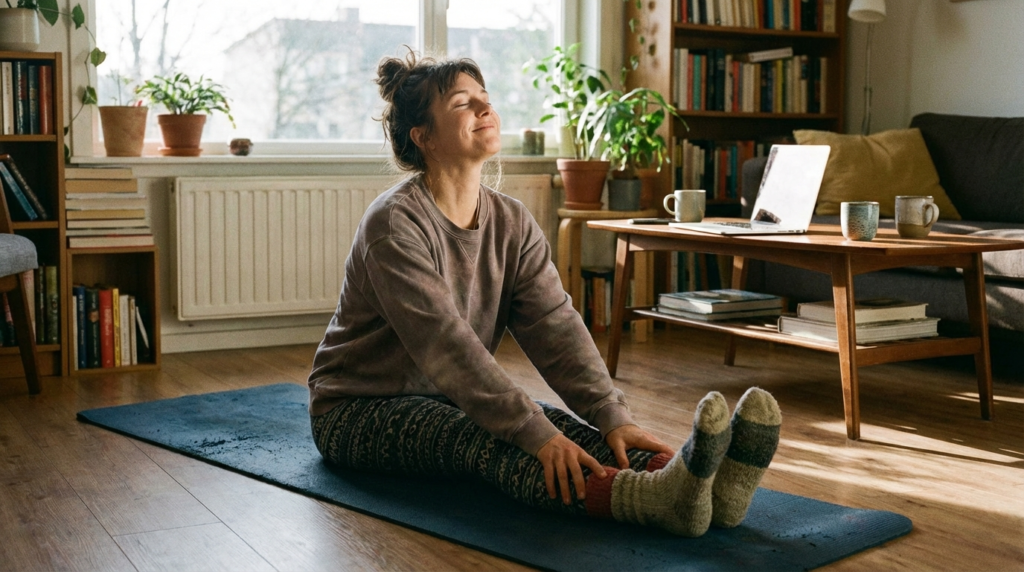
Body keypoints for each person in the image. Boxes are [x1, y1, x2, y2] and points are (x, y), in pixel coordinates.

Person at [307, 50, 782, 537]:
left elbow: (555, 326)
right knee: (504, 438)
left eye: (484, 99)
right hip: (358, 408)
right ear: (422, 137)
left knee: (569, 431)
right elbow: (447, 346)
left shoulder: (512, 222)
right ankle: (649, 500)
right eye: (461, 103)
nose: (483, 109)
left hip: (448, 395)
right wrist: (533, 434)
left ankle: (710, 488)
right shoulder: (394, 224)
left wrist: (612, 415)